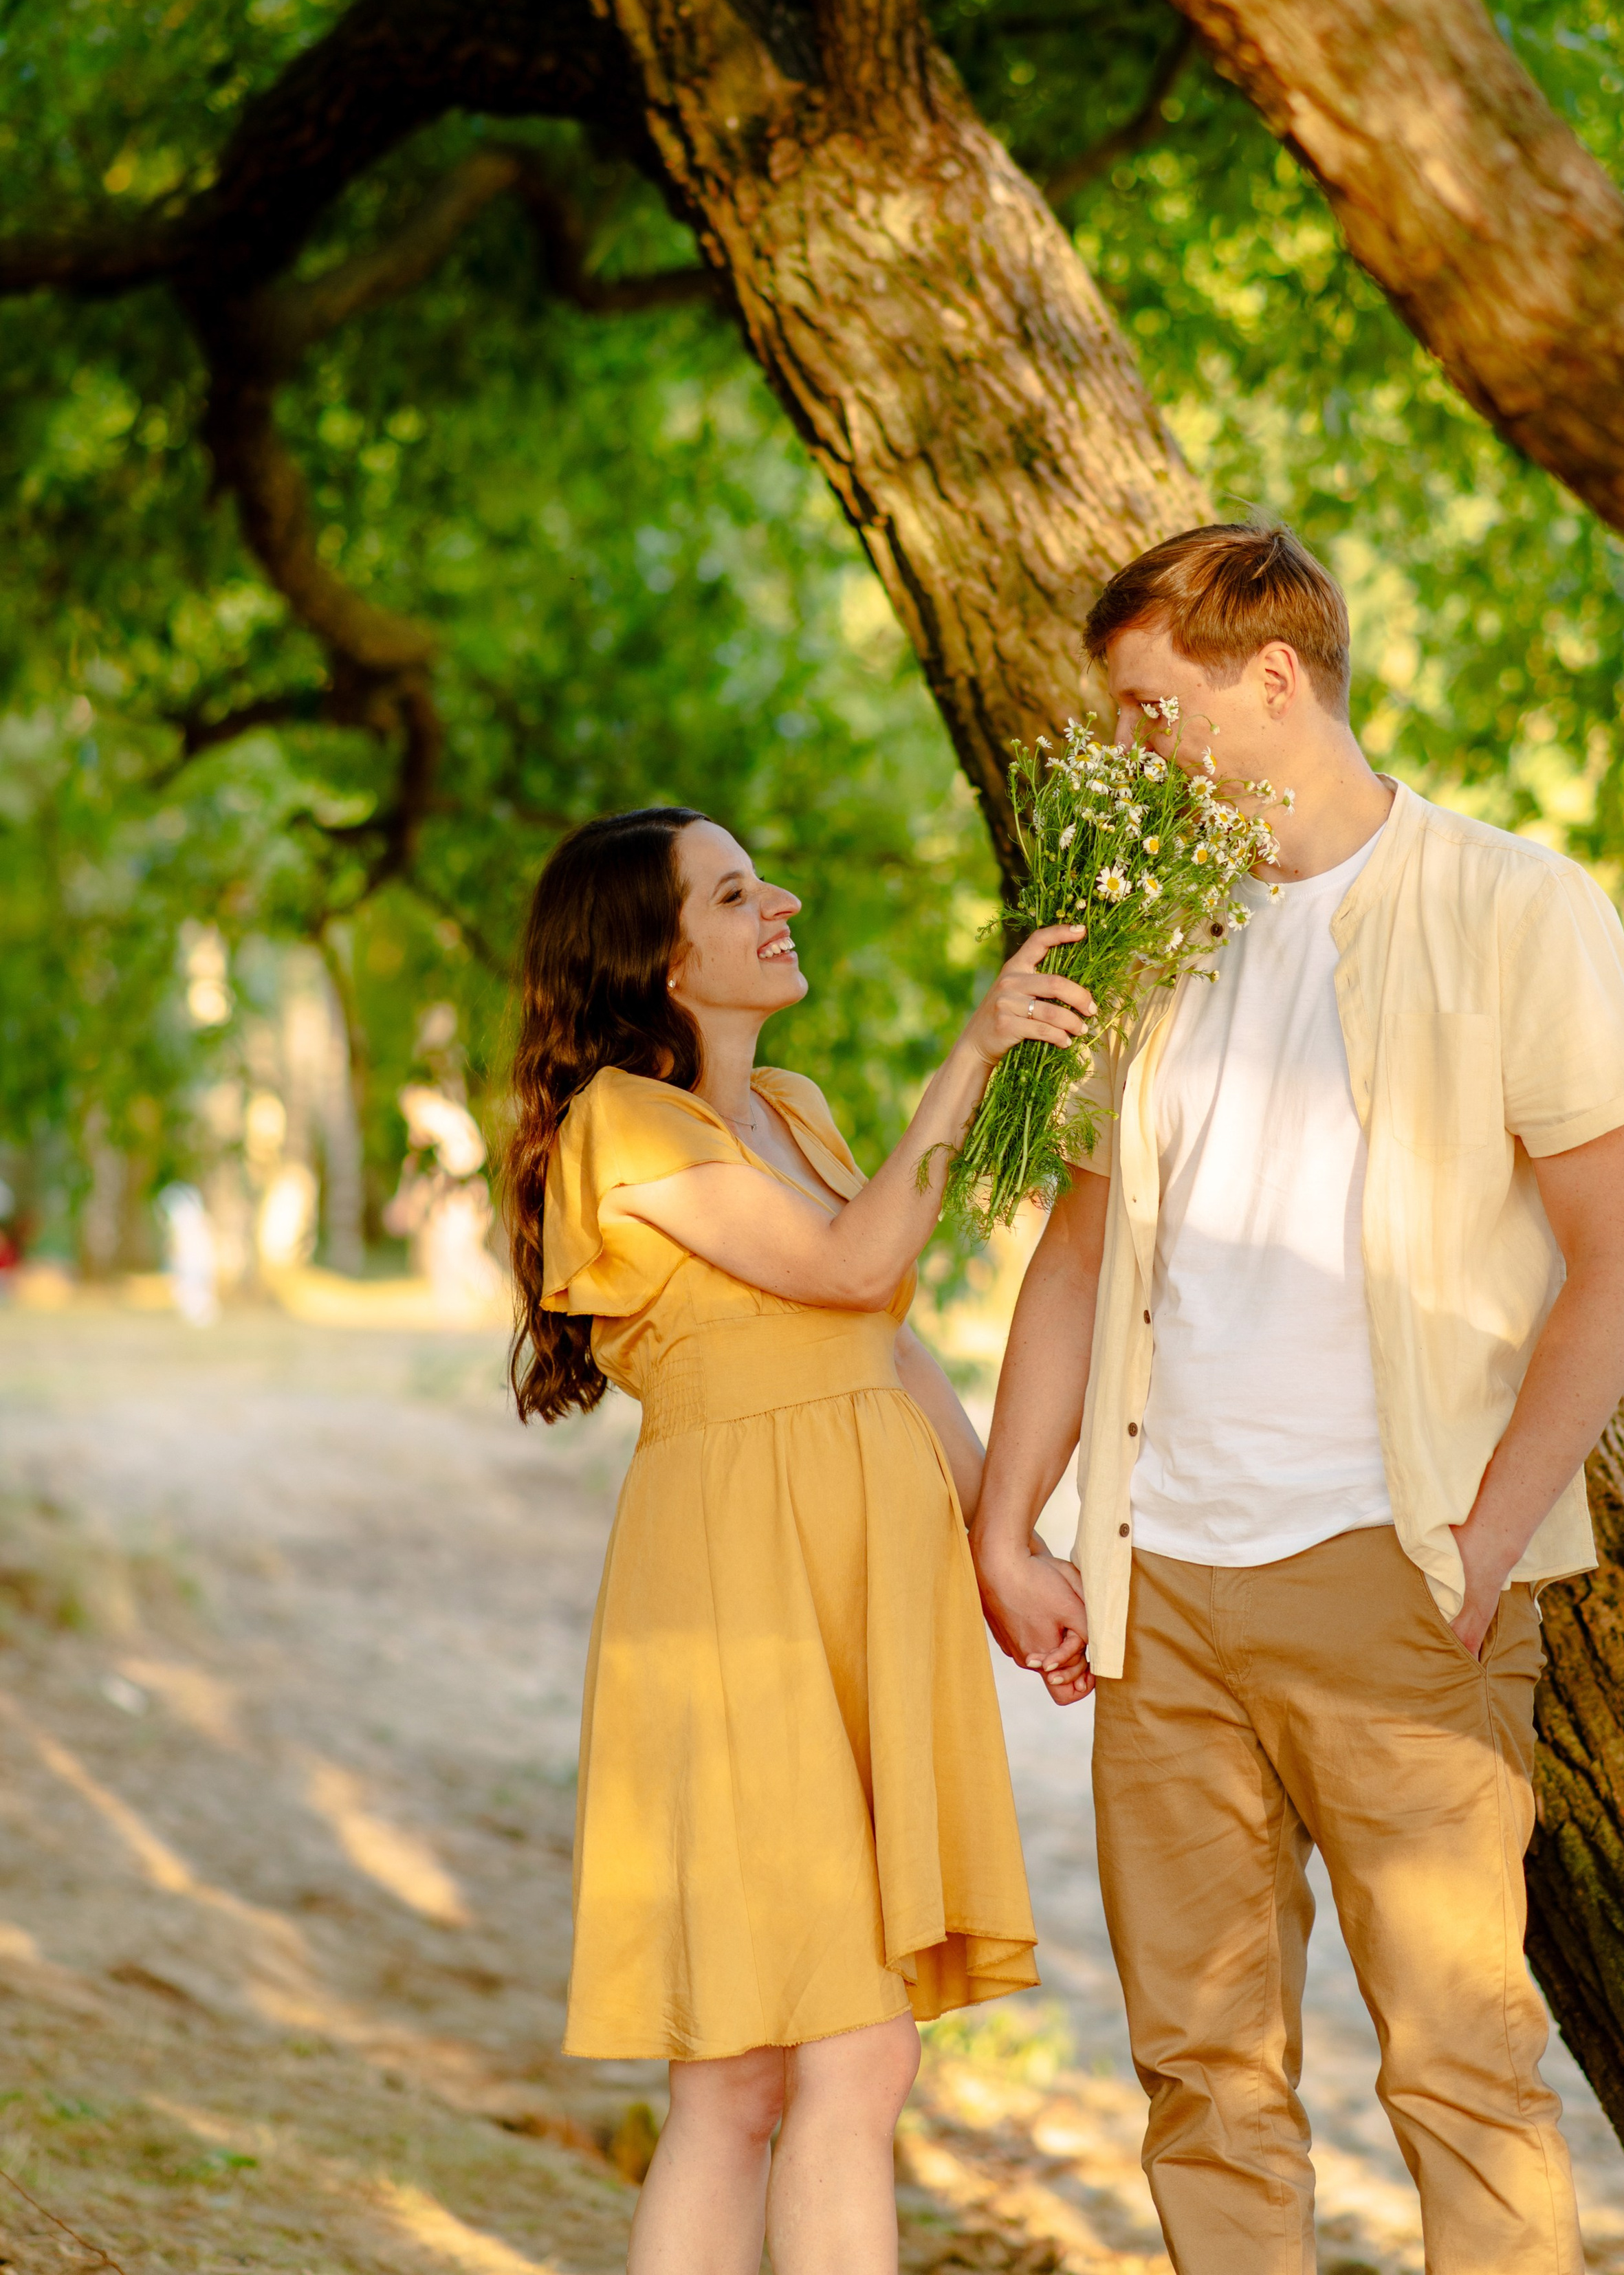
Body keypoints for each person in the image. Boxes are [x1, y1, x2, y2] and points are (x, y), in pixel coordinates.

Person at [973, 525, 1624, 2275]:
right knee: (1201, 2079)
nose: (1132, 751)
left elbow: (1617, 1267)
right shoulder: (1149, 936)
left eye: (1152, 709)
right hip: (1166, 1603)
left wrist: (1482, 1536)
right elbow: (1076, 1258)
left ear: (1269, 681)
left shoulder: (1514, 907)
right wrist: (1010, 1518)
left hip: (1395, 1579)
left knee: (1459, 2070)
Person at [502, 804, 1093, 2275]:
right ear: (660, 956)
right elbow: (851, 1259)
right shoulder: (621, 1126)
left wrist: (997, 1542)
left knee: (755, 2074)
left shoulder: (806, 1110)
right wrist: (972, 1054)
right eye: (732, 889)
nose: (784, 897)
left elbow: (884, 1346)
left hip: (853, 1582)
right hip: (739, 1597)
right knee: (828, 2061)